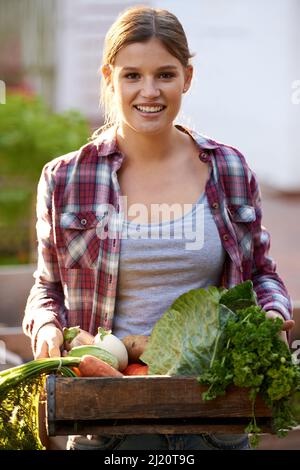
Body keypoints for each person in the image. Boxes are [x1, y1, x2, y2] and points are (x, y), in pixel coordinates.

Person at [23, 6, 294, 450]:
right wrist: (47, 326)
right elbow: (46, 287)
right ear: (109, 76)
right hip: (106, 420)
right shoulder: (66, 179)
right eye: (132, 75)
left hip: (214, 411)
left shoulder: (229, 168)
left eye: (164, 75)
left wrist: (272, 313)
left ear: (187, 77)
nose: (149, 91)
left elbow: (261, 272)